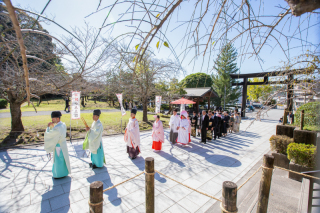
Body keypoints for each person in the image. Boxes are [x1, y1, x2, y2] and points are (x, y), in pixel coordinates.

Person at [44, 111, 71, 178]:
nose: (52, 120)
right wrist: (53, 127)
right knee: (63, 158)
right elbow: (57, 133)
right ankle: (65, 172)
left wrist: (48, 127)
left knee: (58, 159)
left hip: (58, 145)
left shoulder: (57, 127)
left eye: (53, 118)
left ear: (57, 118)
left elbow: (50, 135)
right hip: (63, 144)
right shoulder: (63, 125)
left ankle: (59, 174)